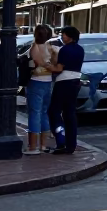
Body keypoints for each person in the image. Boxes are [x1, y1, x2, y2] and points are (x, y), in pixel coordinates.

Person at [47, 26, 84, 155]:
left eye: (64, 34)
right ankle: (71, 144)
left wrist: (46, 65)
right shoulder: (80, 49)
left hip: (63, 82)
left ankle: (61, 141)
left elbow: (58, 68)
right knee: (70, 113)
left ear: (70, 36)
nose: (62, 36)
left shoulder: (64, 50)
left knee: (54, 112)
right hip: (75, 82)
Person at [25, 24, 57, 154]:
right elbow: (56, 63)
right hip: (48, 81)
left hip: (36, 81)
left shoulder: (34, 47)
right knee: (44, 112)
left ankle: (33, 147)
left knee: (34, 113)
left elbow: (35, 61)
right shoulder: (51, 48)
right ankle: (43, 145)